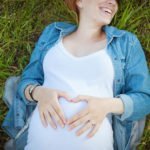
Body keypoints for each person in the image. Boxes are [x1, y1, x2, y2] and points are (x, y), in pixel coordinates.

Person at [2, 0, 150, 150]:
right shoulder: (52, 33)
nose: (112, 2)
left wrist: (106, 105)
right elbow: (27, 80)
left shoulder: (126, 43)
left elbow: (145, 99)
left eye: (116, 0)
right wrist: (38, 92)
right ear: (80, 2)